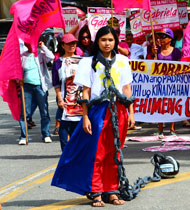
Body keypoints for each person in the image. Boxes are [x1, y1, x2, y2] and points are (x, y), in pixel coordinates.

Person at [52, 26, 135, 207]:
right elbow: (86, 92)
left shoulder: (123, 61)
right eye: (103, 40)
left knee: (115, 152)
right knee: (97, 153)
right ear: (97, 41)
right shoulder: (88, 62)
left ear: (116, 42)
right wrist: (86, 117)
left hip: (119, 109)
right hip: (97, 111)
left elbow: (127, 89)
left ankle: (112, 190)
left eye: (111, 40)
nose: (107, 43)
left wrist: (131, 113)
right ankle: (96, 191)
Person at [18, 40, 54, 145]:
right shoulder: (22, 56)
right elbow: (17, 70)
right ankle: (23, 136)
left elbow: (51, 57)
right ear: (25, 44)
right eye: (27, 43)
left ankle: (46, 134)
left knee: (44, 111)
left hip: (40, 86)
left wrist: (43, 46)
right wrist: (18, 79)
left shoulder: (41, 54)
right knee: (25, 112)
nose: (30, 44)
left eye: (31, 42)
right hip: (26, 87)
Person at [52, 34, 83, 151]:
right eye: (69, 43)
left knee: (77, 127)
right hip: (65, 99)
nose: (72, 46)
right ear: (63, 45)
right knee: (64, 126)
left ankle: (77, 152)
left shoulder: (83, 60)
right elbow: (56, 84)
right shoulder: (58, 63)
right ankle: (65, 152)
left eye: (74, 43)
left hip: (80, 99)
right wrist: (59, 99)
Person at [151, 28, 181, 136]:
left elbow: (180, 66)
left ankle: (172, 128)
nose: (161, 39)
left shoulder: (176, 51)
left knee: (171, 105)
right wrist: (153, 55)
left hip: (172, 82)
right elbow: (149, 65)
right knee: (159, 105)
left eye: (163, 37)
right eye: (159, 37)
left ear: (170, 39)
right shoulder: (156, 50)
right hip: (159, 82)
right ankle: (160, 129)